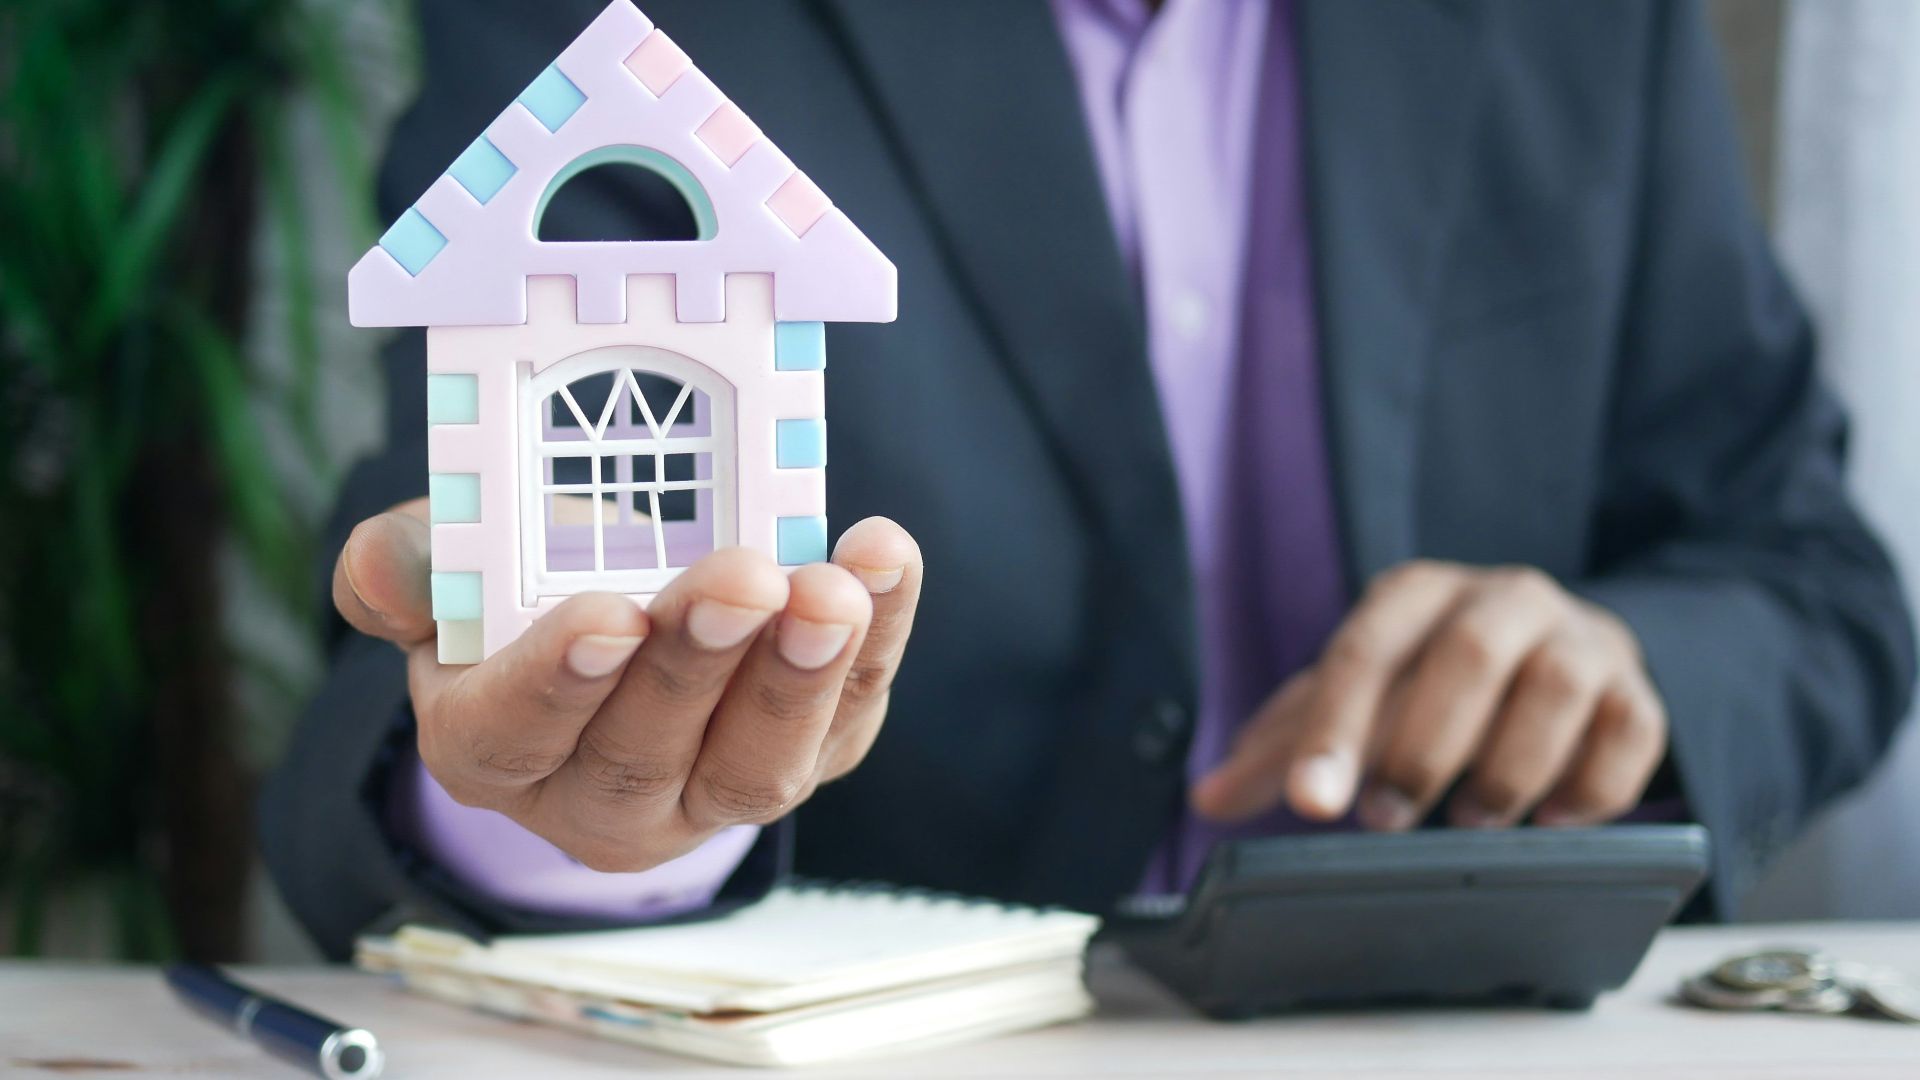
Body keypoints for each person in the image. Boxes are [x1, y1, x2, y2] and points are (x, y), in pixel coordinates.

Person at [264, 0, 1916, 959]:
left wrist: (1632, 669)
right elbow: (435, 620)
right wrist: (574, 816)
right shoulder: (626, 38)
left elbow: (1810, 577)